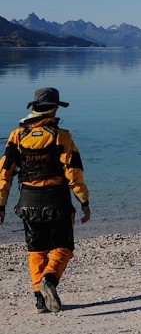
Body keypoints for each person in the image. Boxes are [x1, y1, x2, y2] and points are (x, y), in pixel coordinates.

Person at [0, 87, 90, 313]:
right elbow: (73, 171)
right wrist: (84, 201)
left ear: (35, 108)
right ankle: (49, 279)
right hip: (57, 201)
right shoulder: (62, 136)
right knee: (64, 246)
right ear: (54, 108)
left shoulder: (16, 136)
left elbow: (5, 173)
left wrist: (1, 205)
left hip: (28, 202)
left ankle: (40, 300)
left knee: (36, 249)